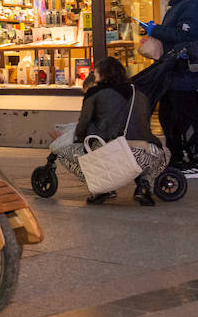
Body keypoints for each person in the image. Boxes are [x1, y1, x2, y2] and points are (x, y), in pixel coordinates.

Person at [51, 57, 166, 206]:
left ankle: (102, 189)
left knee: (62, 152)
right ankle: (144, 186)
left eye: (96, 72)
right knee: (165, 154)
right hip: (142, 154)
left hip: (110, 152)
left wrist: (75, 139)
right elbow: (144, 124)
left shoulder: (95, 92)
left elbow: (83, 123)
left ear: (102, 74)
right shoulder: (139, 93)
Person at [140, 0, 198, 179]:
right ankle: (178, 157)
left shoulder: (192, 4)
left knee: (185, 115)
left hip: (185, 70)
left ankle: (195, 162)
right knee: (168, 115)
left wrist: (156, 30)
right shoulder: (182, 5)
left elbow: (183, 34)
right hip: (175, 70)